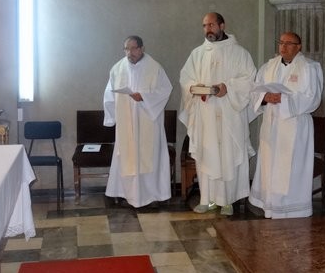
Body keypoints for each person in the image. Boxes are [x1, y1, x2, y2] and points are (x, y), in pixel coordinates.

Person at [179, 12, 256, 216]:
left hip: (230, 114)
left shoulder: (240, 53)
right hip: (205, 115)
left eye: (211, 25)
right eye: (204, 25)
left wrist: (227, 88)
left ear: (222, 25)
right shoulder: (197, 54)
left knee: (228, 154)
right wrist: (196, 89)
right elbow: (185, 79)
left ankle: (228, 201)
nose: (208, 29)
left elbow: (249, 80)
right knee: (207, 154)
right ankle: (207, 199)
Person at [249, 32, 323, 219]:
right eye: (281, 42)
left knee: (291, 168)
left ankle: (292, 209)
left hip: (295, 127)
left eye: (289, 43)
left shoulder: (310, 68)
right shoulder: (268, 66)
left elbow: (312, 98)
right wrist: (265, 97)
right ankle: (270, 206)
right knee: (271, 166)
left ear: (299, 47)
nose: (283, 47)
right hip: (272, 124)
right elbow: (255, 91)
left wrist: (283, 99)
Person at [103, 35, 173, 208]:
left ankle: (152, 196)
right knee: (126, 157)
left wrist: (145, 97)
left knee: (149, 158)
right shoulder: (118, 68)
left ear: (142, 48)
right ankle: (125, 195)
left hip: (148, 122)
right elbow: (109, 96)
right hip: (126, 124)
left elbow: (165, 90)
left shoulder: (154, 67)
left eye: (133, 48)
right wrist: (111, 118)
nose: (129, 53)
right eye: (126, 49)